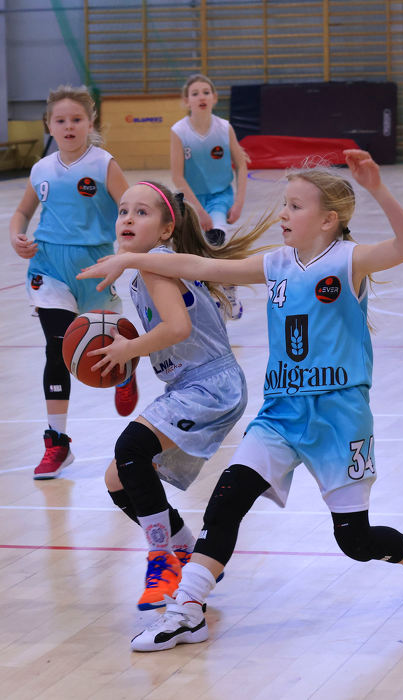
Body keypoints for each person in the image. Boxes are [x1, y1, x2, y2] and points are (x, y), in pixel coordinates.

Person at [79, 150, 403, 655]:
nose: (283, 215)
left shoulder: (348, 261)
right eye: (285, 205)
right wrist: (130, 259)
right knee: (226, 502)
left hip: (339, 418)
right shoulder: (277, 264)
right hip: (281, 413)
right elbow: (198, 263)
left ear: (327, 220)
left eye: (294, 206)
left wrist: (378, 188)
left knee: (356, 541)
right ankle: (186, 611)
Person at [79, 180, 272, 612]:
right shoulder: (147, 269)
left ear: (166, 230)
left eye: (141, 212)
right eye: (123, 210)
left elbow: (178, 328)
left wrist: (130, 349)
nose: (128, 218)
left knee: (131, 449)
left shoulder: (156, 266)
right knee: (117, 478)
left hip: (210, 385)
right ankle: (184, 548)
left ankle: (161, 560)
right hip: (192, 384)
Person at [9, 84, 138, 480]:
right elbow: (23, 212)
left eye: (76, 119)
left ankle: (126, 371)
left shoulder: (103, 164)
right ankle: (57, 442)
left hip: (95, 264)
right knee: (57, 348)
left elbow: (131, 211)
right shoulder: (41, 169)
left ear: (90, 122)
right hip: (49, 266)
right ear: (49, 124)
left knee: (109, 344)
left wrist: (122, 256)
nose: (69, 126)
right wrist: (16, 236)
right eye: (61, 120)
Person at [170, 73, 248, 319]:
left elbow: (241, 165)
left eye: (206, 92)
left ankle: (228, 291)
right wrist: (199, 211)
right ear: (187, 101)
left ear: (214, 97)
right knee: (191, 251)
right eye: (195, 93)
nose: (201, 97)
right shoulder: (179, 131)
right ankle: (202, 296)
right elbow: (177, 176)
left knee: (217, 239)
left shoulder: (224, 128)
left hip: (220, 196)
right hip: (191, 200)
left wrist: (239, 202)